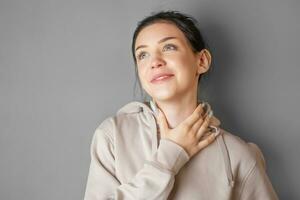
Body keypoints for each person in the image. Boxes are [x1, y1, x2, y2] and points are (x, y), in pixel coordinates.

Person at [84, 10, 279, 200]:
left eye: (169, 47)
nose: (155, 62)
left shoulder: (238, 154)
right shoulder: (113, 136)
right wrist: (170, 155)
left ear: (202, 60)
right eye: (143, 55)